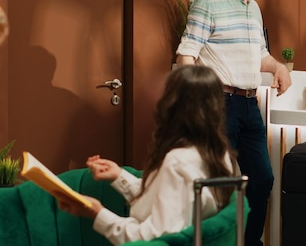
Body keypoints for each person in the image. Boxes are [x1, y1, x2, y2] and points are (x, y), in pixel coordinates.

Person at [175, 0, 292, 246]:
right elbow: (186, 54)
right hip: (218, 105)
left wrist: (278, 67)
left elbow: (260, 55)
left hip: (249, 106)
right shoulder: (208, 1)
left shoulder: (253, 8)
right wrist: (194, 102)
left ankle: (248, 242)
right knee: (219, 185)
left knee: (262, 180)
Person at [55, 65, 237, 245]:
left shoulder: (178, 162)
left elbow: (153, 238)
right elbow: (172, 200)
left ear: (172, 105)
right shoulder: (219, 154)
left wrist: (97, 213)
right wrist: (119, 176)